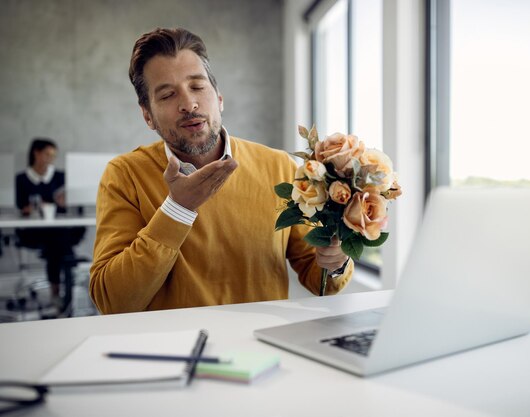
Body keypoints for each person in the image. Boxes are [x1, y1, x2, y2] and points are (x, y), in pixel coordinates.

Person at [89, 27, 353, 314]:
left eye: (198, 87)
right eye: (167, 95)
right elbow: (112, 302)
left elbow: (320, 280)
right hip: (171, 350)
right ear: (147, 115)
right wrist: (178, 209)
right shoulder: (124, 175)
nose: (188, 104)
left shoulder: (280, 167)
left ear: (219, 98)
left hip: (262, 346)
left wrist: (337, 261)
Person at [15, 138, 85, 304]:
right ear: (36, 153)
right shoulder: (22, 179)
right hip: (33, 231)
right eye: (47, 154)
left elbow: (70, 203)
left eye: (53, 155)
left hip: (59, 229)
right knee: (58, 245)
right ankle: (63, 289)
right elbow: (20, 206)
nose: (50, 159)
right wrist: (32, 208)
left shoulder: (60, 176)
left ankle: (59, 293)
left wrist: (65, 202)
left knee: (57, 241)